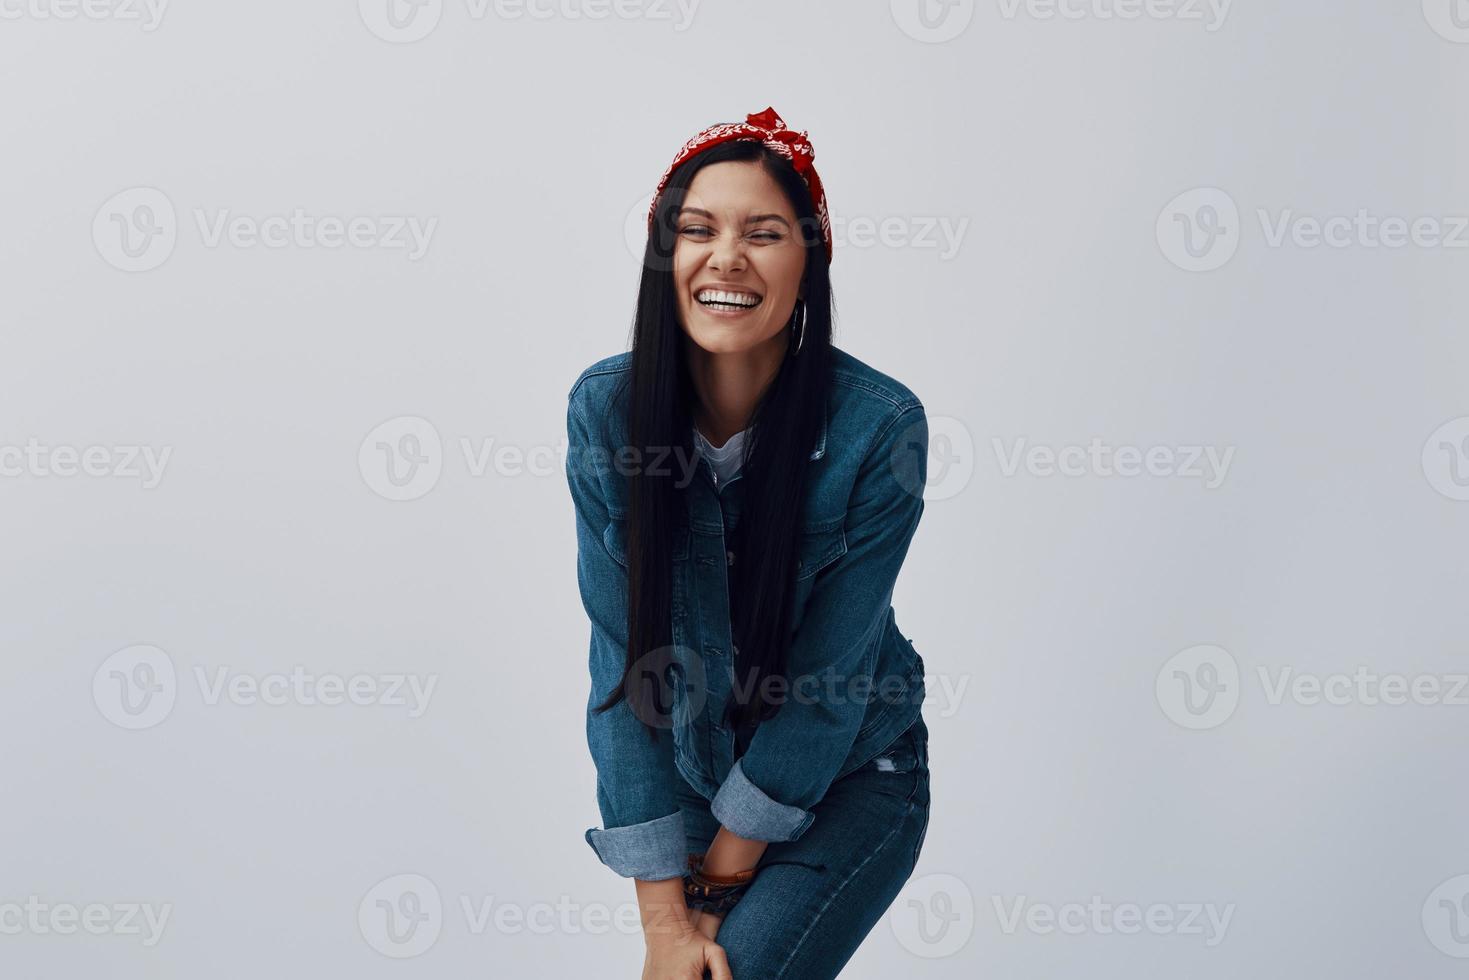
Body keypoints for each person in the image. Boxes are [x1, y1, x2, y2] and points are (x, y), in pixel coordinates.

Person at [565, 106, 931, 979]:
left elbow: (826, 685)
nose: (725, 256)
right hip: (692, 772)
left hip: (848, 770)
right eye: (697, 229)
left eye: (763, 233)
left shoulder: (879, 430)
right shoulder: (606, 413)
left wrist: (715, 894)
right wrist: (665, 923)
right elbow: (622, 667)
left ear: (809, 266)